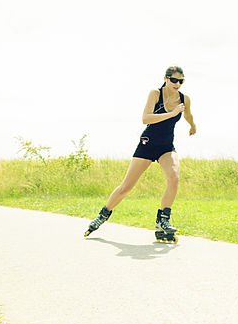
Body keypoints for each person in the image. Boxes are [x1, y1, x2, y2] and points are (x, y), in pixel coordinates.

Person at [84, 66, 197, 242]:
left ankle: (163, 220)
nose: (177, 84)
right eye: (174, 80)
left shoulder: (184, 99)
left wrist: (193, 125)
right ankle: (103, 214)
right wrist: (172, 113)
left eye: (181, 81)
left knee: (174, 177)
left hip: (166, 146)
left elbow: (188, 114)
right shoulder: (155, 94)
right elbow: (145, 118)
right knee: (126, 187)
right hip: (148, 143)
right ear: (166, 79)